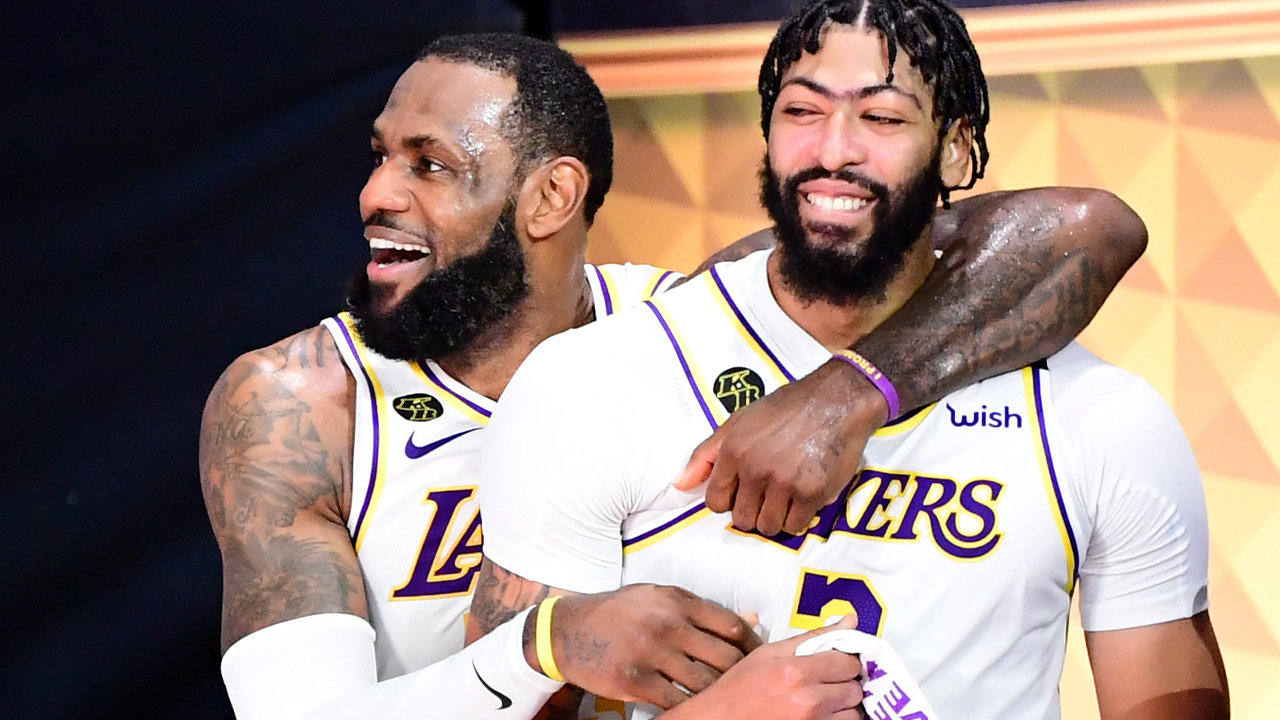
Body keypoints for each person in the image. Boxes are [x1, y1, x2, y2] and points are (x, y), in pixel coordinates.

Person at [200, 27, 1147, 720]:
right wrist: (547, 643)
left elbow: (1083, 226)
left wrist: (845, 392)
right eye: (379, 158)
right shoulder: (297, 402)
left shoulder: (677, 323)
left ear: (551, 198)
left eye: (430, 165)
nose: (375, 195)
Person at [472, 3, 1228, 719]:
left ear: (958, 146)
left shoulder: (1098, 418)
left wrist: (850, 393)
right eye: (801, 111)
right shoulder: (596, 380)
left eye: (882, 117)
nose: (834, 150)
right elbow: (498, 698)